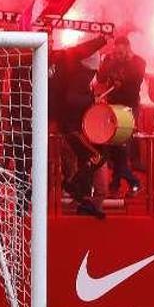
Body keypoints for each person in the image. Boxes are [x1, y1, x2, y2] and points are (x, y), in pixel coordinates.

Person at [49, 34, 110, 218]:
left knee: (84, 159)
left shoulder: (67, 68)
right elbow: (72, 99)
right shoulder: (81, 75)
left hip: (66, 124)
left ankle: (80, 196)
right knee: (97, 157)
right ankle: (75, 187)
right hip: (72, 126)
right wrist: (92, 99)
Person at [96, 35, 145, 197]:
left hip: (129, 108)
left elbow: (135, 79)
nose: (118, 56)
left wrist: (123, 64)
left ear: (128, 49)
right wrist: (108, 61)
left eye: (121, 53)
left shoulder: (138, 61)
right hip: (113, 106)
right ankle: (118, 183)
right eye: (116, 53)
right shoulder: (111, 60)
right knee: (114, 145)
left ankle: (127, 182)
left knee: (121, 145)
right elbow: (101, 78)